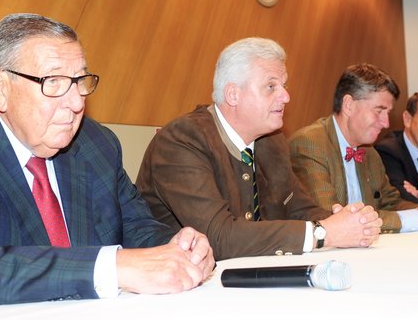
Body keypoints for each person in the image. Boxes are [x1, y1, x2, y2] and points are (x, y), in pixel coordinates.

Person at [0, 13, 214, 320]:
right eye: (54, 82)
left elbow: (136, 228)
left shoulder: (95, 144)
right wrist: (114, 267)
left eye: (79, 81)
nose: (77, 103)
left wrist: (179, 247)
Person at [136, 37, 382, 260]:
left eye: (284, 85)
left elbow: (299, 208)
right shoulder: (181, 141)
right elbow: (219, 238)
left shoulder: (271, 141)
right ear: (233, 95)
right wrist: (323, 233)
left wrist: (346, 219)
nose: (286, 96)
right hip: (178, 292)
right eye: (271, 86)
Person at [289, 63, 418, 234]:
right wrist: (417, 220)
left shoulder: (370, 152)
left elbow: (391, 202)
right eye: (379, 111)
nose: (386, 123)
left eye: (388, 113)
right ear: (348, 105)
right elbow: (331, 217)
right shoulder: (309, 143)